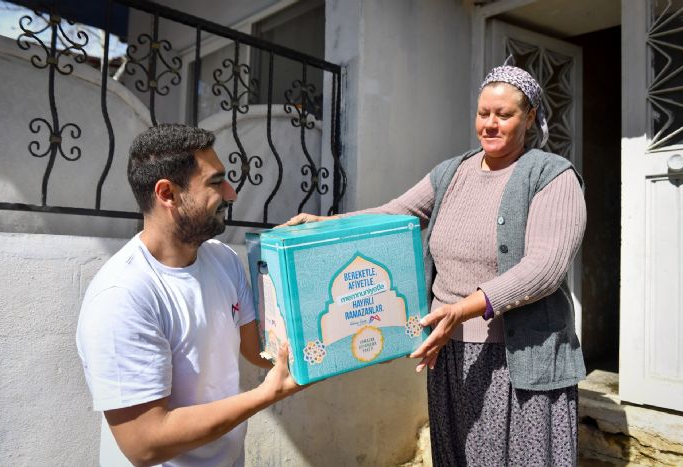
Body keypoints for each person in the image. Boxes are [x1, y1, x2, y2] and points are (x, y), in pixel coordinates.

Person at [284, 63, 586, 465]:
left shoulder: (552, 175)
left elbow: (545, 268)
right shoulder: (452, 172)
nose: (490, 124)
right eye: (483, 113)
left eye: (505, 114)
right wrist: (327, 223)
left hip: (518, 360)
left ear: (530, 117)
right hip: (452, 353)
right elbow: (394, 215)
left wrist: (461, 309)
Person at [76, 124, 303, 467]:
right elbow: (145, 444)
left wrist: (327, 323)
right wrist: (266, 394)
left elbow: (259, 349)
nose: (231, 194)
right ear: (167, 194)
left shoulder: (223, 259)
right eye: (216, 182)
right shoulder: (122, 296)